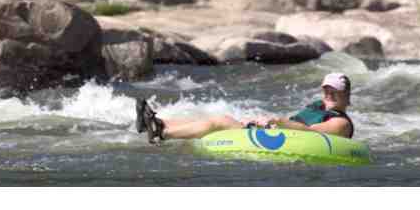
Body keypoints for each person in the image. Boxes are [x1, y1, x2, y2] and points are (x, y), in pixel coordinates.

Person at [134, 72, 355, 144]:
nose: (328, 94)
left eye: (334, 91)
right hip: (278, 134)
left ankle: (161, 133)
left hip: (287, 140)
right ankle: (157, 122)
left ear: (346, 96)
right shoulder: (319, 106)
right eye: (326, 89)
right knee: (216, 117)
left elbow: (312, 133)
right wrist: (269, 122)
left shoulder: (341, 123)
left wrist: (278, 121)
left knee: (220, 122)